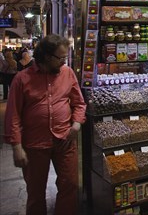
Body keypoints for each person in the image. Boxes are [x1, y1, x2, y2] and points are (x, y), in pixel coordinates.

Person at [4, 34, 86, 215]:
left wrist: (77, 124)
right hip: (34, 144)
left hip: (64, 140)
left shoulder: (67, 73)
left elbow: (79, 103)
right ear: (47, 56)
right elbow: (13, 116)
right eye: (61, 58)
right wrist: (17, 146)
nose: (64, 62)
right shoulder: (22, 78)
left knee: (70, 185)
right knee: (35, 192)